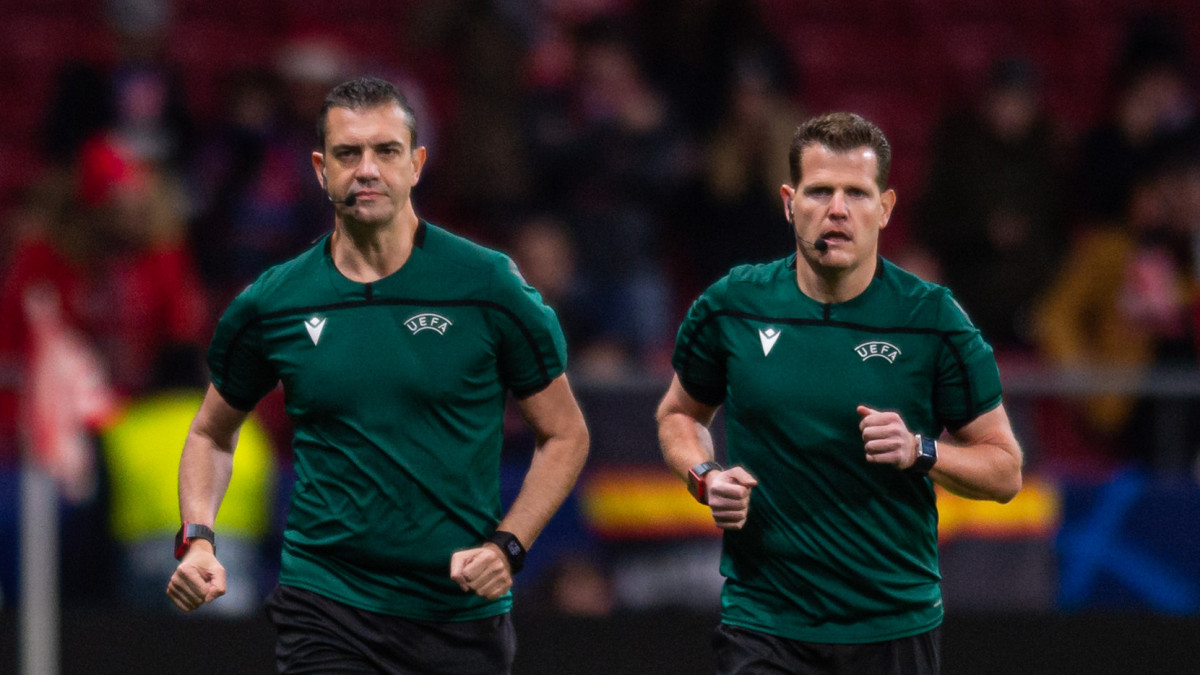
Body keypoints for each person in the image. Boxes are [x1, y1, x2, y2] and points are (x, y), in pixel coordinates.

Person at [166, 77, 590, 674]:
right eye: (348, 153)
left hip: (458, 616)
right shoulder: (274, 301)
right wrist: (199, 538)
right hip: (325, 608)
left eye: (386, 151)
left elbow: (566, 434)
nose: (367, 169)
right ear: (320, 168)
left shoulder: (488, 287)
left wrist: (509, 543)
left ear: (416, 163)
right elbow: (211, 433)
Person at [655, 112, 1023, 674]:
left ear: (886, 207)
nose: (837, 209)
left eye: (857, 192)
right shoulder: (734, 304)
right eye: (820, 190)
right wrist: (704, 475)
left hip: (892, 625)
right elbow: (679, 414)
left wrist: (920, 451)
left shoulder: (932, 319)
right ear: (788, 201)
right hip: (764, 623)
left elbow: (1005, 471)